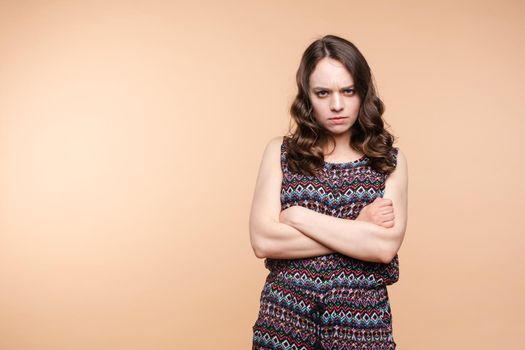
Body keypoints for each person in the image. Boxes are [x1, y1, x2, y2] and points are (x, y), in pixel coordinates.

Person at [249, 34, 408, 350]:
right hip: (285, 321)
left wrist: (296, 216)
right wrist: (358, 229)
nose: (337, 105)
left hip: (362, 327)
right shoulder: (280, 153)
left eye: (348, 91)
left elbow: (382, 248)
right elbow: (264, 240)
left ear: (363, 91)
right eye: (323, 93)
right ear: (307, 97)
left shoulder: (388, 160)